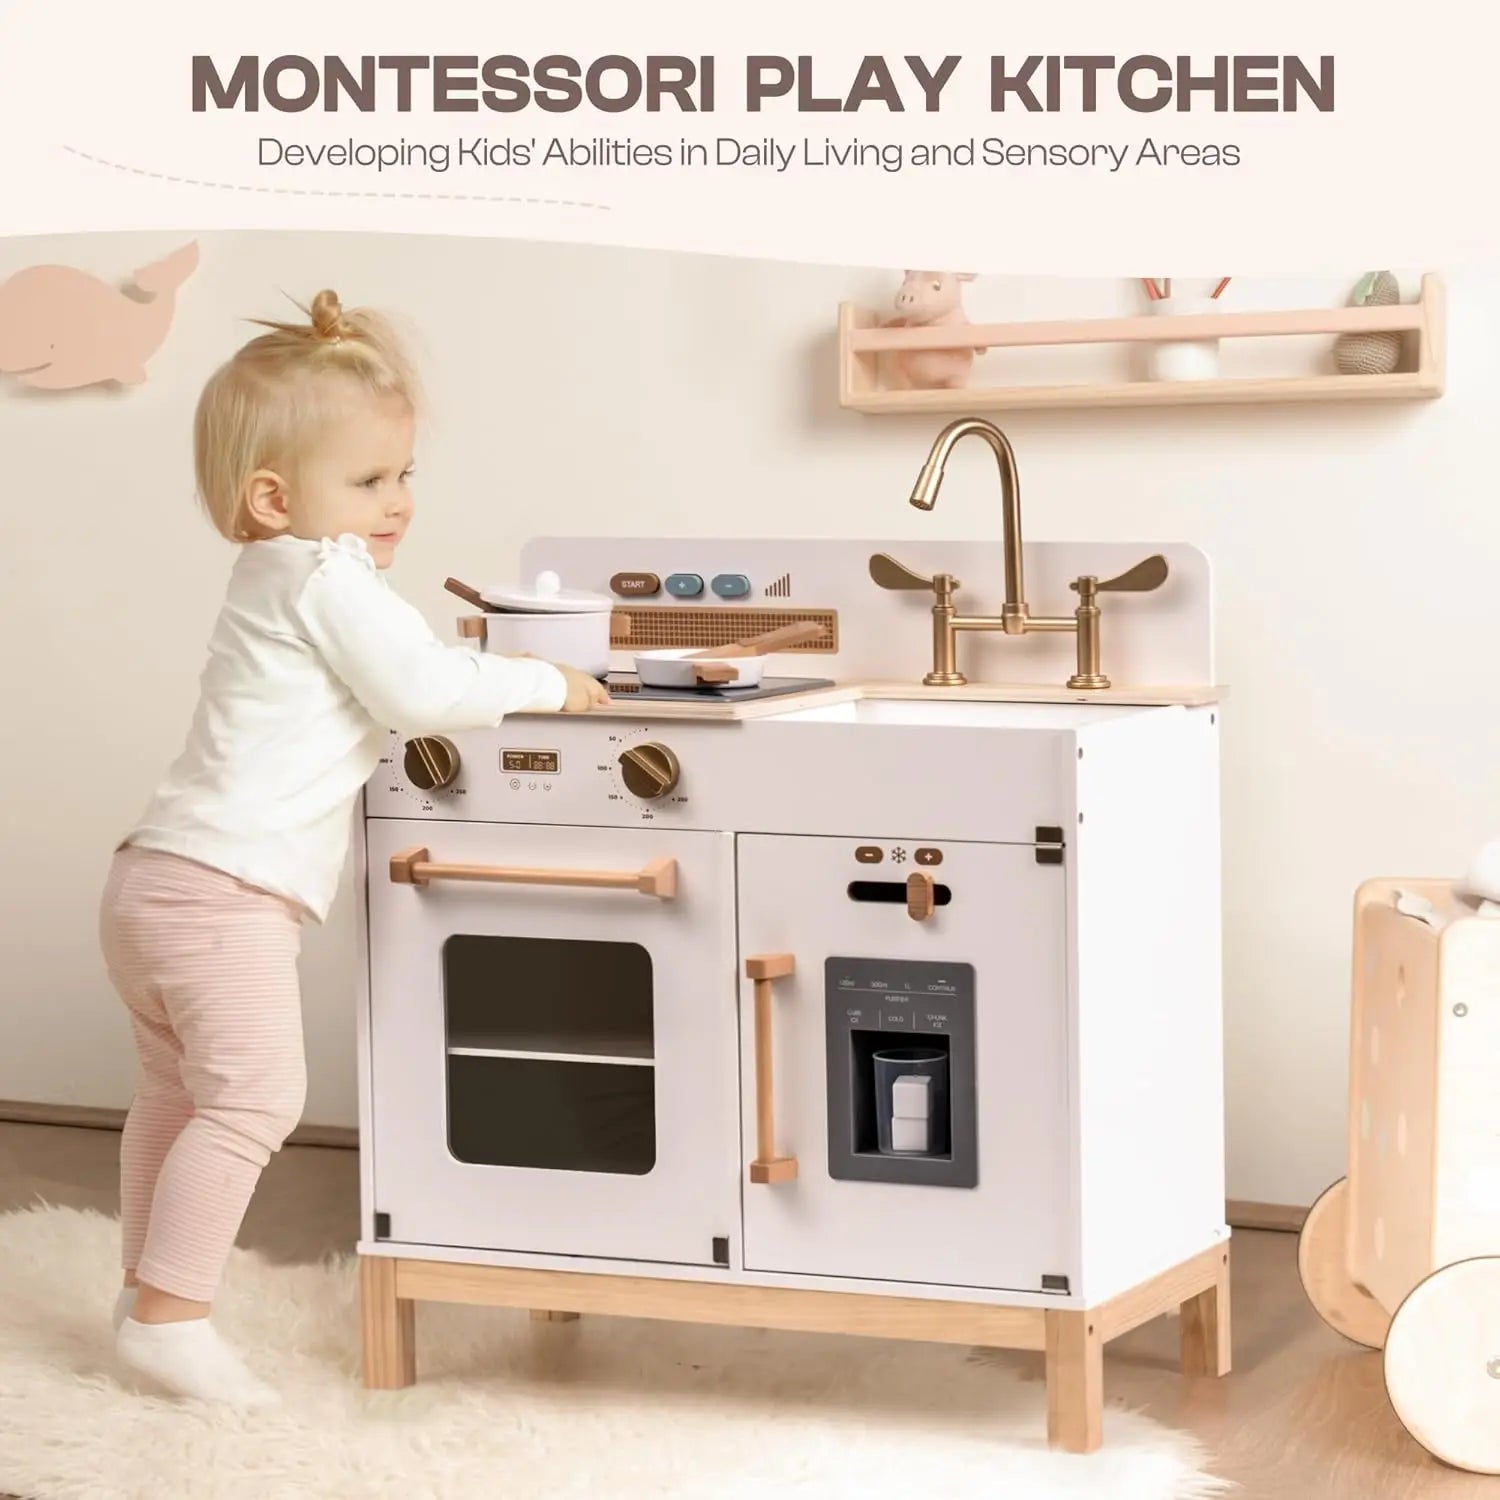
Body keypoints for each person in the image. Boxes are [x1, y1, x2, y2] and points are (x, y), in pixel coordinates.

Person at [98, 289, 608, 1406]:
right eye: (370, 481)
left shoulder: (273, 574)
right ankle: (174, 1319)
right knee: (257, 1099)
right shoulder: (326, 575)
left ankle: (148, 1295)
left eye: (406, 474)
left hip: (154, 876)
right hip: (221, 895)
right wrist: (550, 683)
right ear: (276, 497)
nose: (398, 504)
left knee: (178, 1096)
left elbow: (393, 670)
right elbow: (421, 689)